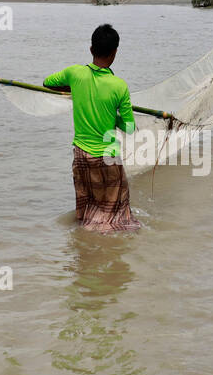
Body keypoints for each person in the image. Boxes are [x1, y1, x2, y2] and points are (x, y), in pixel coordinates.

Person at [43, 24, 142, 233]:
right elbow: (131, 127)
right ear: (115, 53)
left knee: (87, 211)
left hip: (81, 155)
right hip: (108, 157)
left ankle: (86, 251)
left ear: (91, 49)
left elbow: (47, 82)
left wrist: (73, 89)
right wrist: (114, 117)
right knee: (120, 220)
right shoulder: (119, 86)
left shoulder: (74, 74)